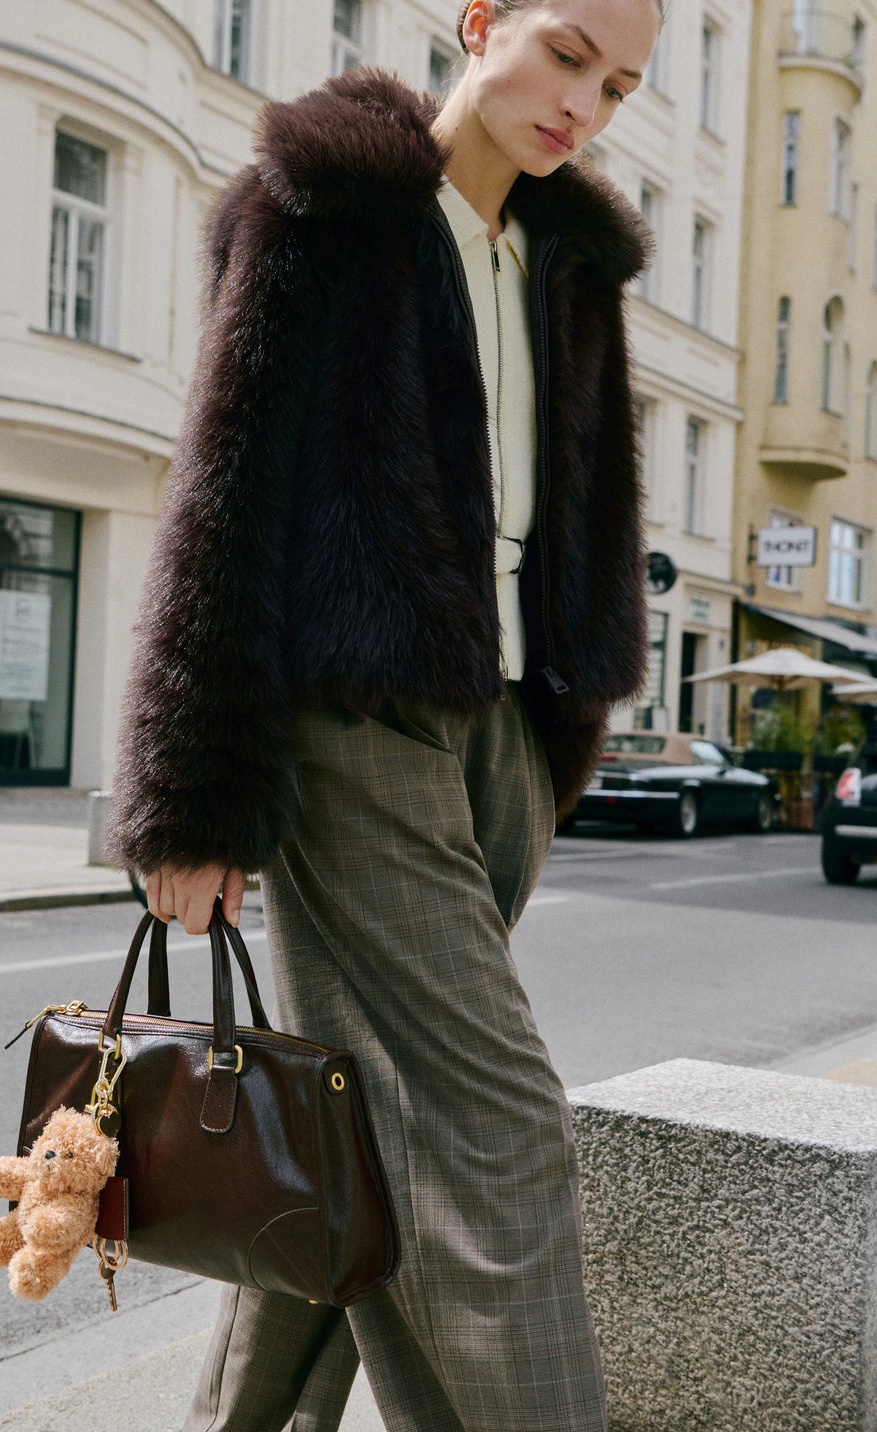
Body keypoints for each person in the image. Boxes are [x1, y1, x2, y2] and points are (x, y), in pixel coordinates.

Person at [105, 0, 661, 1425]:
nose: (582, 103)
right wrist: (195, 794)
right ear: (479, 23)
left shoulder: (569, 261)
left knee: (351, 1123)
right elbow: (224, 498)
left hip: (511, 734)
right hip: (354, 719)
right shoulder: (329, 209)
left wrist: (560, 722)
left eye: (616, 85)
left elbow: (578, 509)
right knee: (498, 1132)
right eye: (565, 52)